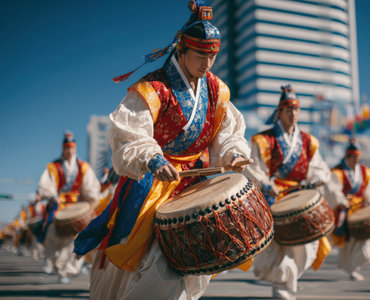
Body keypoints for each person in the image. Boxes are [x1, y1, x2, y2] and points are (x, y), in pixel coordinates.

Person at [74, 1, 250, 299]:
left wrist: (233, 153)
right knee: (154, 261)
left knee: (193, 259)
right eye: (200, 55)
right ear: (181, 49)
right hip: (151, 183)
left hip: (192, 183)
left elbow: (227, 132)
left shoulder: (218, 90)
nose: (207, 64)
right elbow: (129, 132)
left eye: (212, 56)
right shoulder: (153, 88)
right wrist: (152, 158)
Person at [243, 85, 345, 300]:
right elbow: (253, 168)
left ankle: (288, 282)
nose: (293, 114)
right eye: (288, 110)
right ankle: (281, 285)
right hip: (274, 196)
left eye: (296, 110)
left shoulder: (309, 141)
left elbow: (319, 168)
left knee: (307, 244)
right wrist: (265, 183)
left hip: (300, 197)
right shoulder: (263, 140)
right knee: (279, 245)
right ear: (279, 112)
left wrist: (318, 178)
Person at [38, 131, 100, 283]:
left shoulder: (83, 167)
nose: (69, 151)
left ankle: (67, 271)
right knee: (52, 235)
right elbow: (45, 184)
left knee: (75, 240)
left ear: (75, 148)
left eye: (71, 148)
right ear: (63, 148)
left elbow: (91, 186)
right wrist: (52, 195)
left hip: (76, 207)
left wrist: (90, 197)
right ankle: (51, 262)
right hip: (58, 206)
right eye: (66, 148)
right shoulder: (53, 167)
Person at [331, 139, 370, 281]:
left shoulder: (364, 172)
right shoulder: (338, 171)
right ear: (348, 156)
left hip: (360, 210)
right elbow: (333, 190)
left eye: (359, 158)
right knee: (348, 241)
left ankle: (353, 267)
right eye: (355, 158)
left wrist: (369, 200)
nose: (357, 161)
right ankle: (351, 269)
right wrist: (341, 201)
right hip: (345, 211)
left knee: (362, 237)